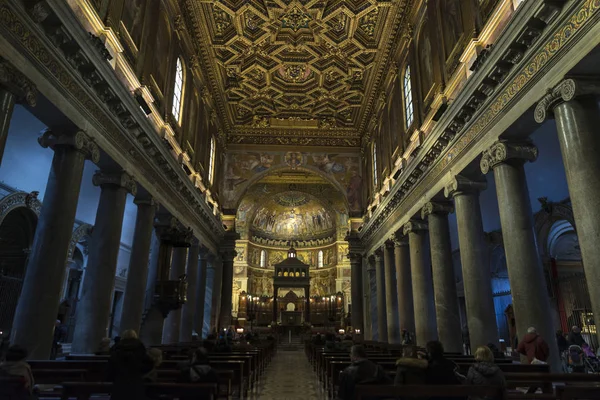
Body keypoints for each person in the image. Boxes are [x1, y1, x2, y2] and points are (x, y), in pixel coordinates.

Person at [106, 329, 153, 400]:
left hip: (120, 381)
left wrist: (112, 377)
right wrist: (140, 371)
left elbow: (111, 365)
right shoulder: (140, 347)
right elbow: (149, 363)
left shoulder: (117, 347)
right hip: (135, 380)